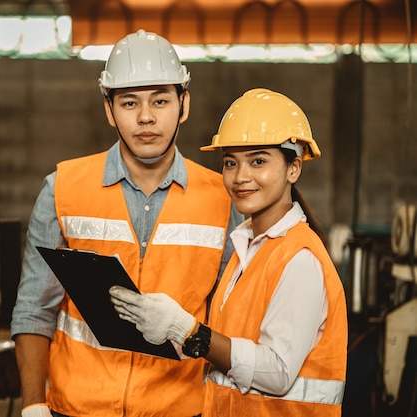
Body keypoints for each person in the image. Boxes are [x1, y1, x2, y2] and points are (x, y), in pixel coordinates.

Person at [10, 29, 242, 417]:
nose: (146, 117)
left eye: (161, 100)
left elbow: (231, 325)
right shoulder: (62, 189)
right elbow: (34, 309)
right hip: (78, 408)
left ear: (183, 105)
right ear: (109, 109)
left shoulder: (223, 199)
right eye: (130, 102)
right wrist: (33, 404)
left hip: (179, 409)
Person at [110, 88, 348, 416]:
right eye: (230, 163)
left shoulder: (299, 258)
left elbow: (277, 372)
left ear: (294, 168)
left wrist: (186, 329)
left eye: (258, 161)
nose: (240, 177)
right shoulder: (247, 249)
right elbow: (231, 347)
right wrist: (170, 332)